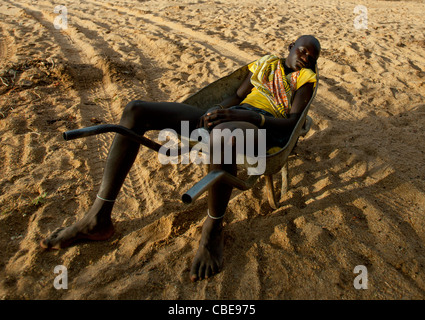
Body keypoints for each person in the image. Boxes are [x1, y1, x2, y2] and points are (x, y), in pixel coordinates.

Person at [40, 35, 321, 282]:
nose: (305, 57)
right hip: (234, 115)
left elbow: (292, 123)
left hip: (262, 126)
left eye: (311, 56)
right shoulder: (266, 63)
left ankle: (213, 228)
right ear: (290, 47)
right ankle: (99, 217)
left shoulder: (305, 79)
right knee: (136, 110)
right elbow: (235, 95)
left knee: (223, 136)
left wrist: (246, 116)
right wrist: (213, 112)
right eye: (302, 50)